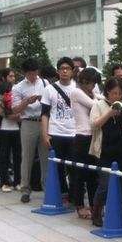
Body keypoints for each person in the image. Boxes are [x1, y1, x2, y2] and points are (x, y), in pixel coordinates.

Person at [89, 77, 122, 227]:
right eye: (113, 93)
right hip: (105, 151)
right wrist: (109, 114)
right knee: (104, 185)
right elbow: (94, 125)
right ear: (107, 91)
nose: (117, 96)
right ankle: (97, 212)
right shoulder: (99, 105)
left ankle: (116, 211)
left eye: (120, 93)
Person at [12, 58, 49, 203]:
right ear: (24, 73)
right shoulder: (18, 87)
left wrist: (42, 100)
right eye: (29, 73)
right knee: (26, 157)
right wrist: (27, 102)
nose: (32, 76)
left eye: (34, 72)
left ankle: (47, 188)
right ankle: (25, 189)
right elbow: (15, 109)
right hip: (28, 122)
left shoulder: (45, 83)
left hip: (44, 121)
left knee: (46, 157)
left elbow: (51, 102)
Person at [41, 57, 77, 196]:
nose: (65, 71)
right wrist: (45, 134)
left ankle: (75, 194)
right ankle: (62, 193)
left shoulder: (77, 88)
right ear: (58, 71)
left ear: (72, 71)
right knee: (58, 167)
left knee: (75, 167)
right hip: (56, 132)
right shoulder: (49, 89)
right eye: (62, 69)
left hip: (74, 133)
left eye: (68, 68)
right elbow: (44, 114)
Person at [69, 67, 101, 219]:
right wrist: (98, 97)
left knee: (93, 174)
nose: (93, 86)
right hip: (82, 136)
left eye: (94, 83)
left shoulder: (91, 92)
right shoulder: (76, 92)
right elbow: (95, 104)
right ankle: (79, 205)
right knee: (80, 174)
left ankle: (94, 204)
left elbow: (100, 98)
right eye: (91, 83)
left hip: (92, 136)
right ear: (83, 81)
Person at [0, 68, 22, 192]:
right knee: (4, 156)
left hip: (18, 128)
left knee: (18, 157)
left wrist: (18, 116)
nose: (13, 78)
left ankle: (18, 181)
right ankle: (4, 182)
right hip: (4, 128)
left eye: (14, 76)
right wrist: (10, 116)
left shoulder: (18, 89)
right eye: (10, 76)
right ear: (4, 77)